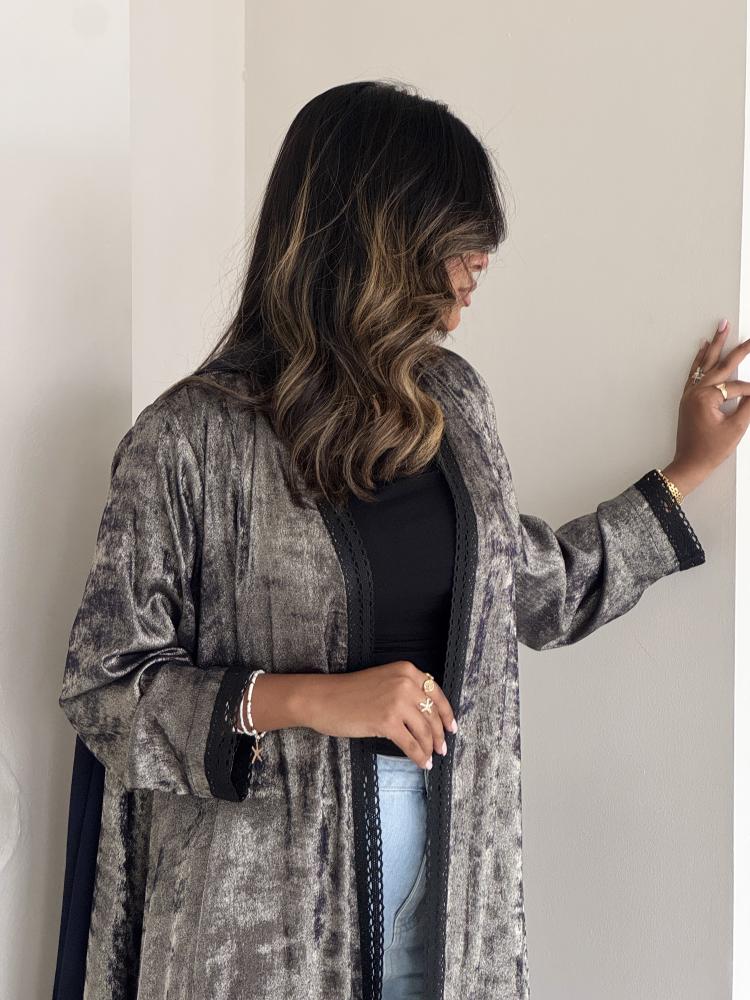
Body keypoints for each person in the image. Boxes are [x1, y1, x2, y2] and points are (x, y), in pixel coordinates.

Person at [53, 79, 750, 1000]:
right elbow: (106, 692)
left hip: (455, 888)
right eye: (459, 240)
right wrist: (311, 699)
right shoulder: (191, 439)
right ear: (377, 237)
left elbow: (528, 589)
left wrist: (687, 469)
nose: (479, 264)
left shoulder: (453, 405)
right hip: (262, 922)